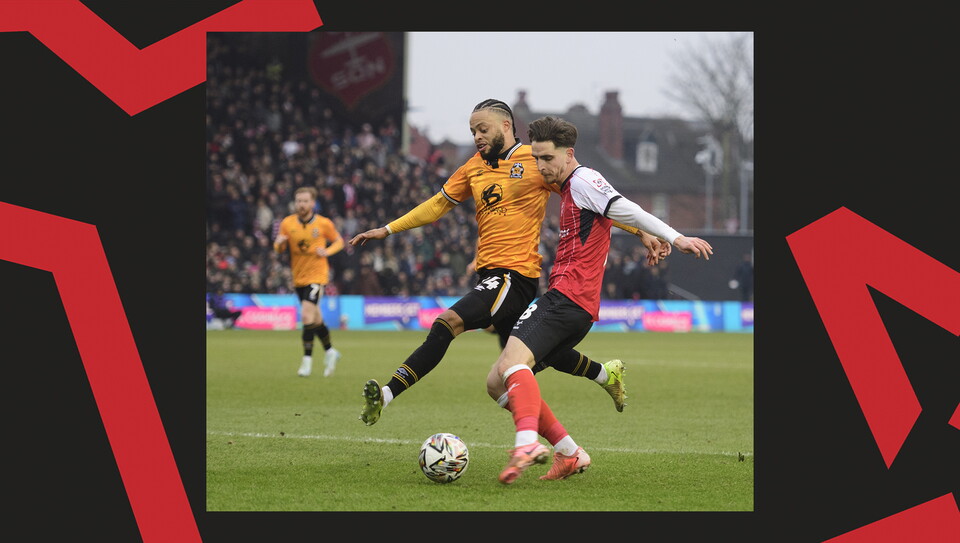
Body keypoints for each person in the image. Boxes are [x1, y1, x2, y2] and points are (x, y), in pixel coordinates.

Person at [350, 99, 667, 427]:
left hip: (513, 276)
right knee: (539, 356)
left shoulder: (536, 161)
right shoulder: (473, 166)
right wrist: (387, 229)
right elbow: (436, 206)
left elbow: (593, 200)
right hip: (490, 274)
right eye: (472, 131)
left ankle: (387, 394)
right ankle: (602, 381)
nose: (477, 136)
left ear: (505, 126)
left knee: (447, 324)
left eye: (482, 129)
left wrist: (641, 230)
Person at [494, 116, 713, 484]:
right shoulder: (567, 185)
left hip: (568, 297)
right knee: (496, 383)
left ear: (569, 154)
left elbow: (624, 205)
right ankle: (570, 454)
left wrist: (675, 238)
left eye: (547, 158)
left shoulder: (583, 180)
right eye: (537, 159)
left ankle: (527, 442)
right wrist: (642, 234)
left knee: (512, 364)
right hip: (569, 301)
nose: (541, 166)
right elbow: (610, 213)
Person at [273, 186, 344, 377]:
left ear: (312, 203)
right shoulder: (287, 223)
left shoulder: (323, 223)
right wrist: (279, 244)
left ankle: (306, 361)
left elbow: (339, 241)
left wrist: (327, 252)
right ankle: (330, 351)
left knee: (306, 316)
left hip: (318, 276)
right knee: (315, 319)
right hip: (299, 277)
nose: (301, 204)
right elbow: (279, 249)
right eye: (298, 201)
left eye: (305, 201)